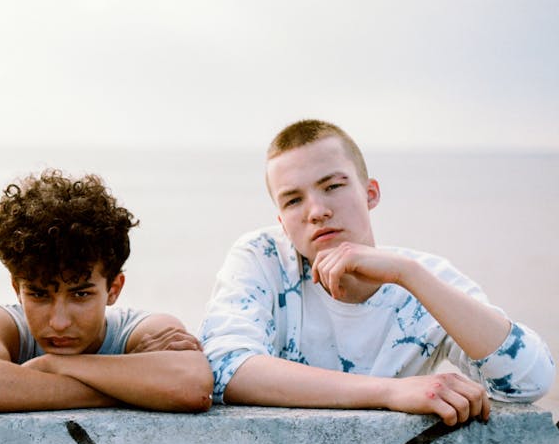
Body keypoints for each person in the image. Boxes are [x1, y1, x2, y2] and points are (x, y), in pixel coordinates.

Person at [200, 119, 555, 425]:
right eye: (293, 200)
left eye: (333, 186)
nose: (317, 211)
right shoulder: (263, 257)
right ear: (281, 221)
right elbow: (224, 369)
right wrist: (390, 393)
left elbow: (529, 381)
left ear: (370, 194)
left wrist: (407, 275)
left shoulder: (420, 276)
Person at [0, 170, 213, 413]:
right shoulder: (2, 324)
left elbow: (192, 385)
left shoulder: (142, 330)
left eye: (81, 295)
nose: (59, 322)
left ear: (113, 289)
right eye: (39, 295)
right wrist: (133, 391)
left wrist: (52, 365)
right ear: (17, 288)